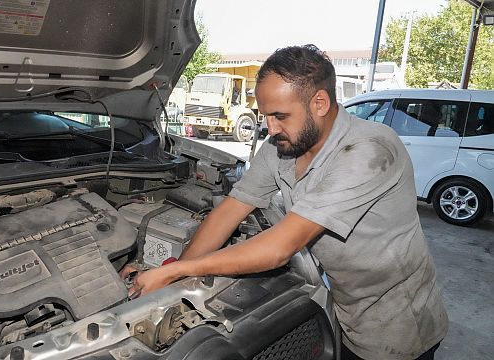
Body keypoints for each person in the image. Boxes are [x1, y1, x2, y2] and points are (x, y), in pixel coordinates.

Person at [123, 45, 448, 360]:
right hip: (348, 307)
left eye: (280, 115)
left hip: (399, 323)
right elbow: (230, 211)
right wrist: (172, 277)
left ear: (320, 102)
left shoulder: (370, 151)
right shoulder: (281, 147)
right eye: (266, 116)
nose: (270, 128)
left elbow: (280, 247)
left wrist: (181, 269)